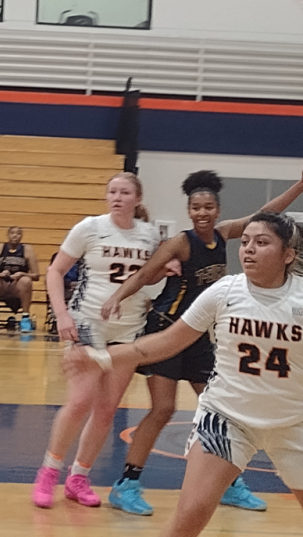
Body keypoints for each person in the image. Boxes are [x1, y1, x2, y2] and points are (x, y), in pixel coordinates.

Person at [64, 212, 303, 537]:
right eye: (245, 241)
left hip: (294, 422)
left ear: (288, 254)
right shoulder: (225, 291)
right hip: (227, 420)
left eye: (261, 243)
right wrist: (102, 356)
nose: (247, 249)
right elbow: (166, 342)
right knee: (188, 518)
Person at [32, 172, 161, 509]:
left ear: (137, 198)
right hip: (88, 322)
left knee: (106, 410)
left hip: (129, 329)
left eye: (125, 192)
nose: (117, 197)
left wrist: (166, 269)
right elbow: (55, 271)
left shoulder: (150, 235)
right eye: (112, 191)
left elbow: (150, 275)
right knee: (79, 402)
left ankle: (78, 478)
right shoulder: (89, 227)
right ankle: (48, 472)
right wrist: (61, 314)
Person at [0, 226, 39, 332]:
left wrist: (22, 274)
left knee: (26, 281)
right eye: (12, 233)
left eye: (18, 233)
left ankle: (25, 318)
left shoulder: (27, 249)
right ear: (8, 235)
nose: (15, 235)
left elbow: (36, 275)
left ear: (21, 236)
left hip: (16, 286)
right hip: (1, 284)